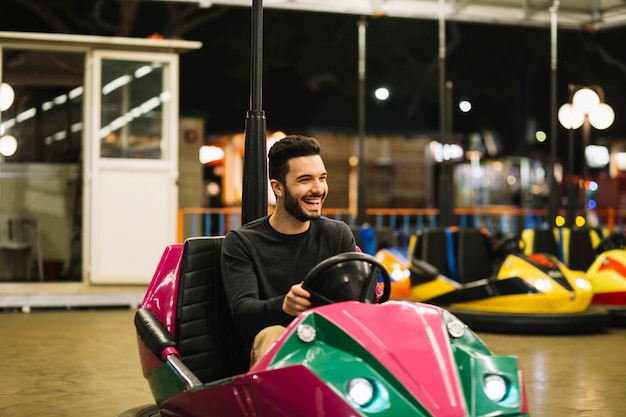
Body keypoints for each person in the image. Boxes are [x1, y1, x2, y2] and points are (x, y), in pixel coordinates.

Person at [221, 135, 356, 364]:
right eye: (305, 180)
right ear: (278, 188)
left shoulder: (338, 234)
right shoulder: (242, 242)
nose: (318, 189)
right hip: (273, 350)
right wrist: (284, 305)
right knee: (271, 334)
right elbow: (242, 312)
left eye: (322, 178)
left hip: (329, 344)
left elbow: (360, 301)